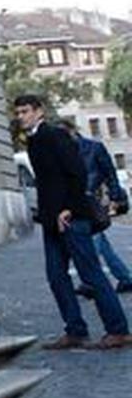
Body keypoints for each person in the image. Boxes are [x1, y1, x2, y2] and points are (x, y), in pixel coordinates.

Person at [16, 94, 131, 350]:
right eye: (18, 112)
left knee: (91, 274)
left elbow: (77, 172)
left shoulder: (55, 135)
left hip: (72, 217)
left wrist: (68, 207)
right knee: (56, 276)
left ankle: (118, 330)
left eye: (25, 111)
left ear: (38, 111)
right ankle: (75, 330)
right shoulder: (34, 139)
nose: (21, 116)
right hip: (51, 220)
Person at [71, 122, 132, 296]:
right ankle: (125, 278)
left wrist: (116, 196)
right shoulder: (66, 150)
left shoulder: (94, 147)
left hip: (95, 199)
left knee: (93, 240)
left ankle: (90, 282)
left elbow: (109, 172)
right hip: (80, 201)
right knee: (101, 242)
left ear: (73, 131)